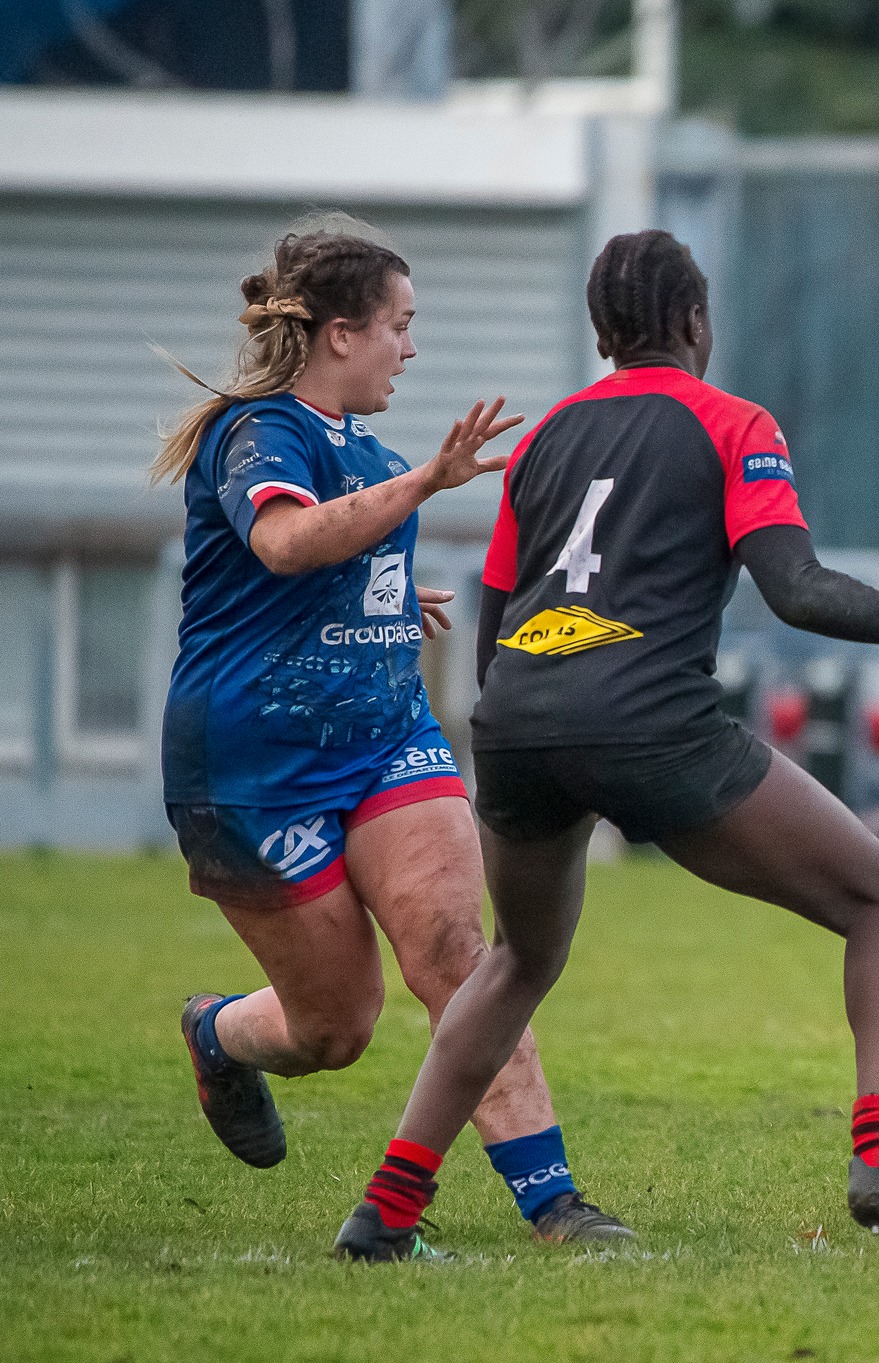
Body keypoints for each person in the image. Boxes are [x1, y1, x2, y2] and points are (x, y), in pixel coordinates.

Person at [331, 228, 879, 1260]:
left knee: (516, 960)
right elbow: (799, 589)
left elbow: (499, 613)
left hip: (516, 723)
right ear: (694, 321)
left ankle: (383, 1211)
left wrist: (531, 721)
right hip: (648, 721)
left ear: (604, 332)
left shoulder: (546, 437)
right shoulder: (734, 424)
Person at [156, 219, 629, 1247]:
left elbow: (317, 565)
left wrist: (385, 596)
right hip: (253, 766)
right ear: (340, 334)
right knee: (335, 1027)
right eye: (398, 325)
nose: (410, 349)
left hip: (384, 739)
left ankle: (555, 1202)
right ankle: (218, 1033)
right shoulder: (259, 432)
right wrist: (421, 488)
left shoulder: (371, 452)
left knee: (460, 952)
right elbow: (284, 541)